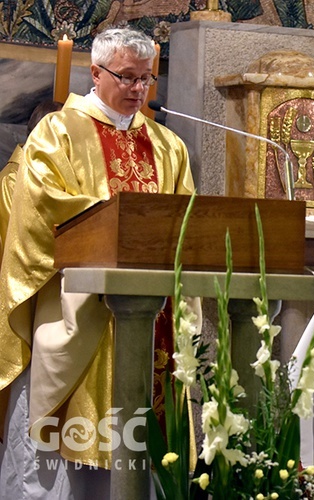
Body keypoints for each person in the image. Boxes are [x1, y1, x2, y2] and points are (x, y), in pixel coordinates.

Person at [0, 27, 194, 497]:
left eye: (146, 79)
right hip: (83, 307)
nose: (137, 89)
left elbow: (186, 218)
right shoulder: (58, 132)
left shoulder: (168, 145)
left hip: (153, 315)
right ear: (97, 72)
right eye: (127, 77)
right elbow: (42, 207)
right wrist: (117, 219)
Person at [0, 100, 64, 259]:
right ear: (42, 135)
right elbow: (16, 247)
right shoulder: (12, 180)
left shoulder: (54, 175)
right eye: (64, 133)